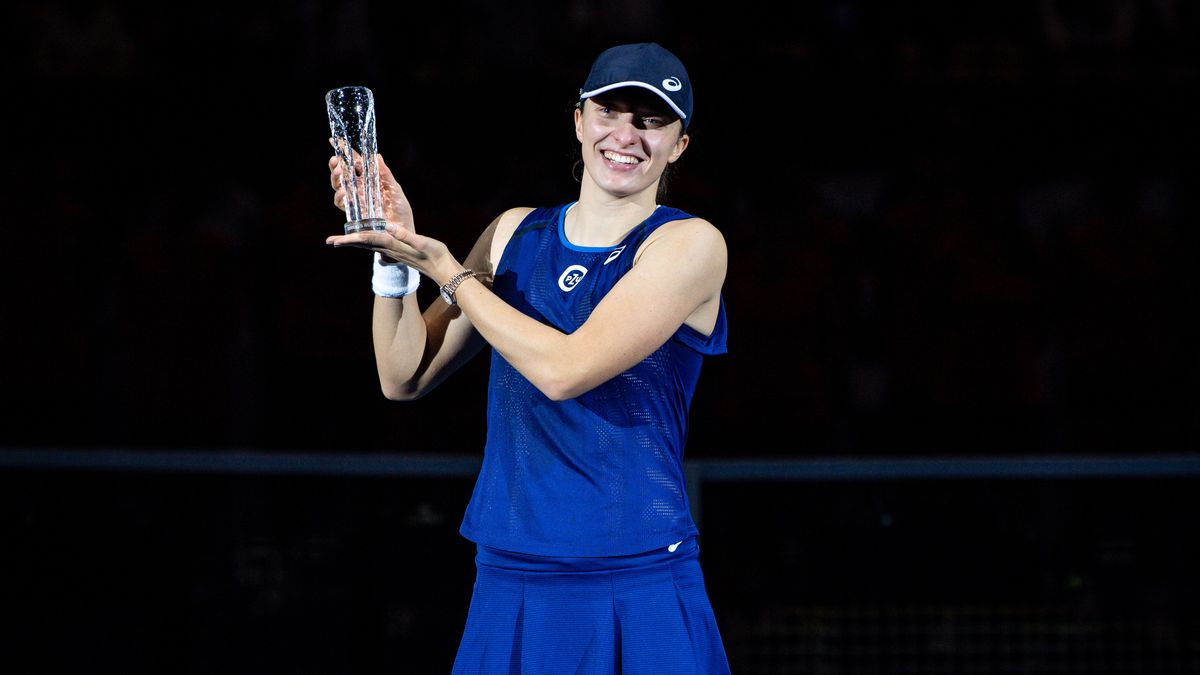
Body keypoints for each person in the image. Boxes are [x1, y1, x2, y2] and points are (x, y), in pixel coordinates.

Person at [327, 42, 731, 674]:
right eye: (610, 113)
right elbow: (401, 376)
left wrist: (447, 272)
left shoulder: (690, 244)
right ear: (578, 120)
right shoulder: (515, 232)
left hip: (636, 577)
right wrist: (395, 259)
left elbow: (564, 370)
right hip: (511, 573)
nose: (626, 136)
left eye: (651, 121)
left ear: (679, 144)